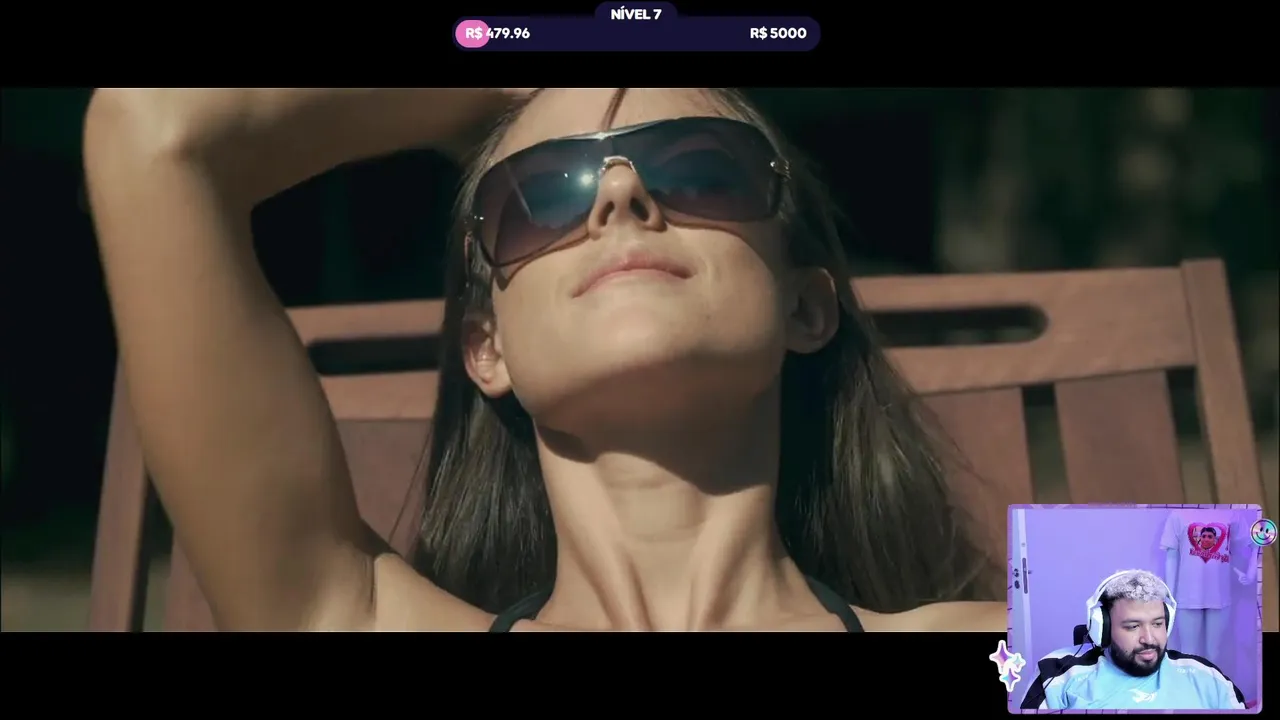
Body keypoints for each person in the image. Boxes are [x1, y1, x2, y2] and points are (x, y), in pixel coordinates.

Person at [83, 87, 1006, 631]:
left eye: (700, 168)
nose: (621, 199)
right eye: (541, 195)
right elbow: (149, 128)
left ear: (805, 306)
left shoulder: (1031, 644)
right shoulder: (356, 619)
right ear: (487, 348)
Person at [1020, 570, 1246, 710]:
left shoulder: (1207, 677)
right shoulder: (1058, 675)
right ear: (1103, 628)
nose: (1149, 639)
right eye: (1133, 626)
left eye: (1157, 623)